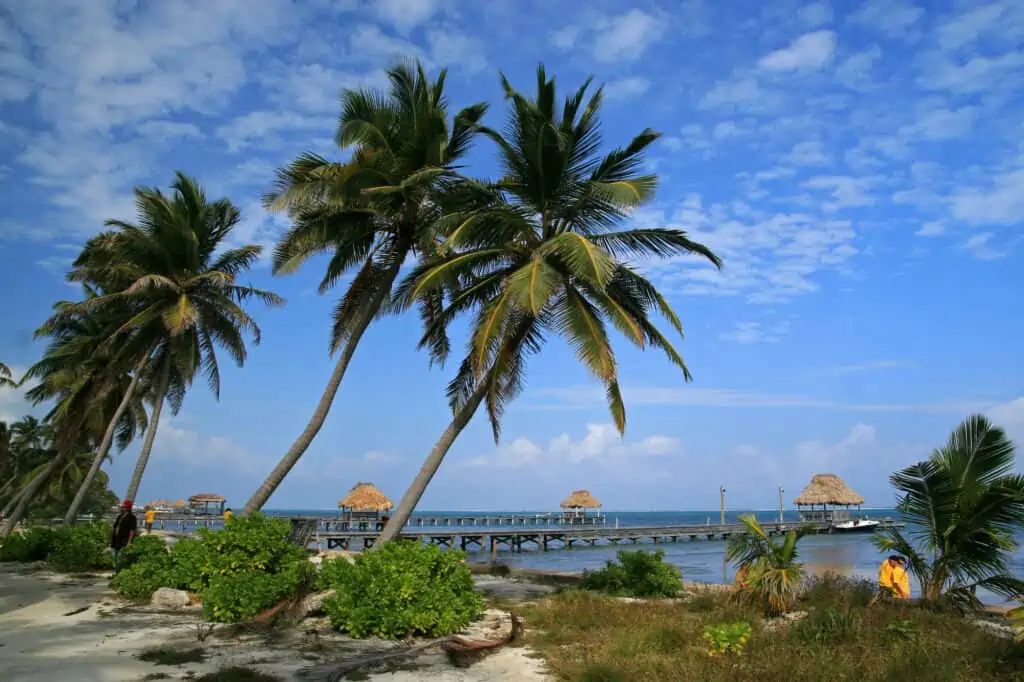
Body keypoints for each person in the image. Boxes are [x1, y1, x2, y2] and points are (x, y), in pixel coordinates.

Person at [111, 500, 137, 572]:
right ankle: (117, 573)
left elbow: (132, 530)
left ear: (127, 508)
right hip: (116, 541)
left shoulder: (132, 517)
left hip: (124, 541)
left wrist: (129, 542)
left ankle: (119, 573)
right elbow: (115, 527)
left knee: (120, 558)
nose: (121, 508)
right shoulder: (120, 516)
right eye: (121, 507)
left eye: (123, 507)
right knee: (116, 558)